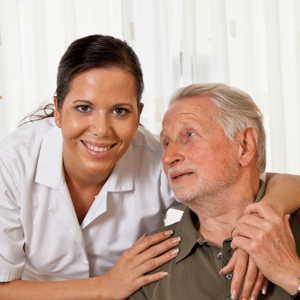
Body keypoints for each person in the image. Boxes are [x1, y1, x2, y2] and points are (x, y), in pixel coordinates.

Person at [0, 35, 299, 300]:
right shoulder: (12, 163)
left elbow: (256, 180)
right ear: (58, 111)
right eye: (83, 108)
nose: (101, 129)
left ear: (138, 113)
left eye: (120, 111)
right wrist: (104, 288)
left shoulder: (161, 156)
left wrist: (257, 223)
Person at [128, 83, 300, 300]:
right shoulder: (149, 262)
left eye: (189, 135)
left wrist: (293, 276)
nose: (167, 157)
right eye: (166, 143)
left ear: (245, 145)